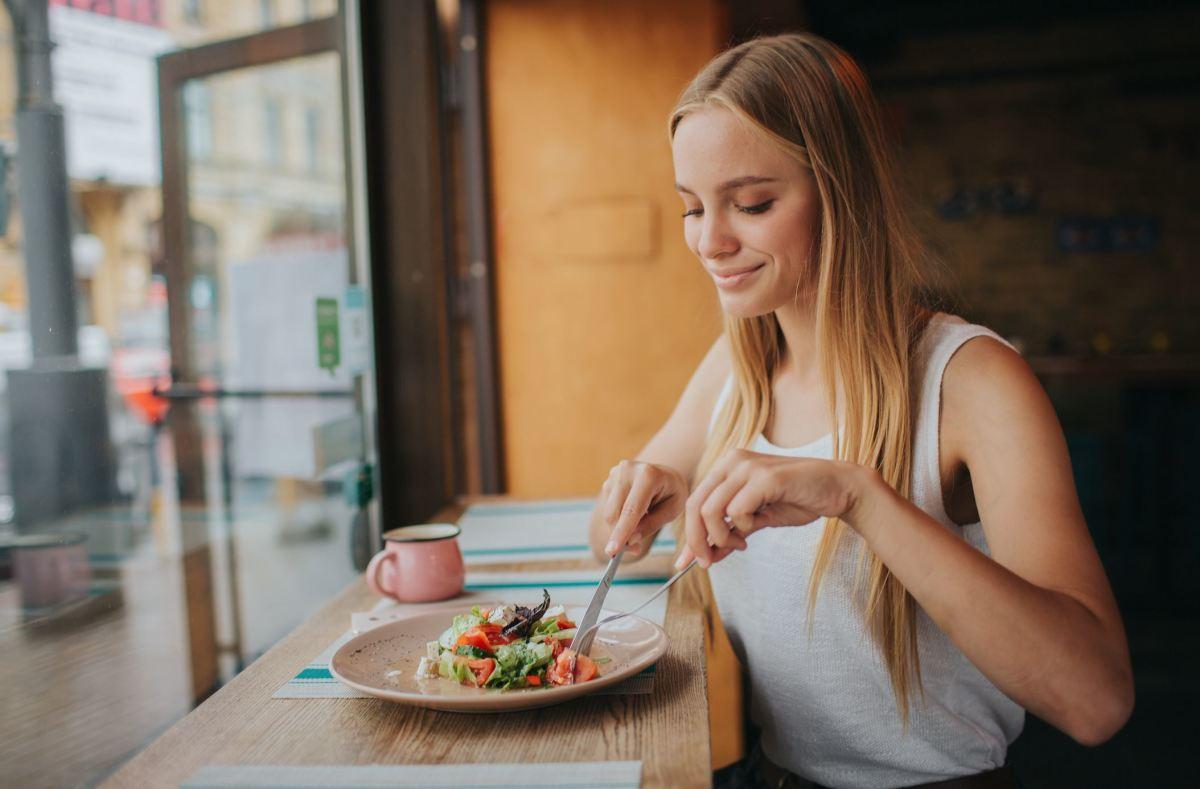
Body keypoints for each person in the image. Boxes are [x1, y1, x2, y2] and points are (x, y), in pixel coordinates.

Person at [586, 32, 1133, 789]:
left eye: (751, 203)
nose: (709, 241)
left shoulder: (973, 381)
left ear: (842, 191)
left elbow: (1096, 700)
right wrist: (636, 496)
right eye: (690, 207)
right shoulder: (735, 369)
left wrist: (858, 497)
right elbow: (611, 538)